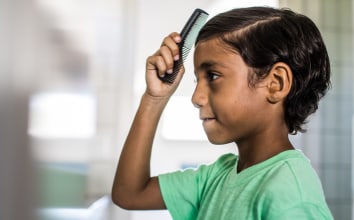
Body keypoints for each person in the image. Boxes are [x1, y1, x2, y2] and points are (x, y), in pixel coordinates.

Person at [112, 6, 333, 220]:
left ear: (276, 83)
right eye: (198, 80)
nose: (196, 98)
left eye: (213, 76)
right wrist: (154, 98)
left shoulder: (291, 197)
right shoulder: (217, 176)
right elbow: (129, 193)